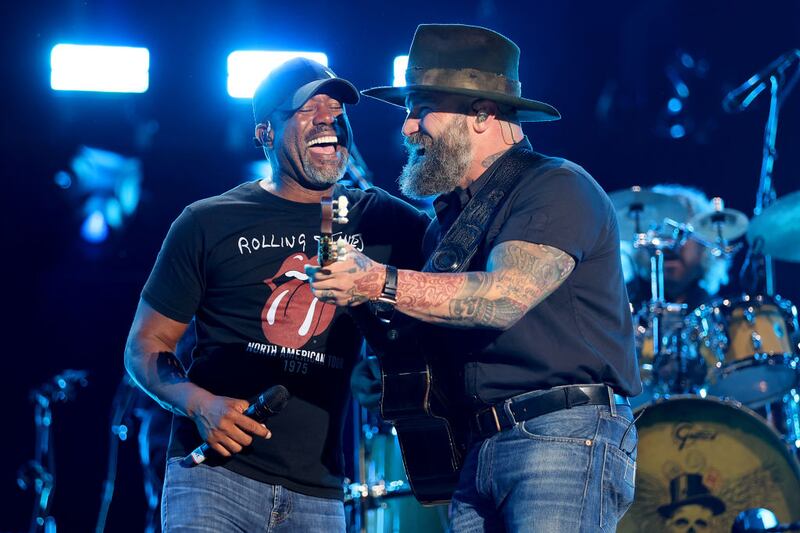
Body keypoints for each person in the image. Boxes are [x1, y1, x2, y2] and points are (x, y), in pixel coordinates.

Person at [307, 24, 642, 532]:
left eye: (421, 109)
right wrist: (392, 373)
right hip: (477, 446)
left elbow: (504, 298)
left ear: (482, 114)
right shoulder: (444, 227)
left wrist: (378, 281)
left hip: (562, 434)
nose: (407, 128)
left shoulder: (554, 186)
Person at [124, 57, 429, 532]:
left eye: (336, 107)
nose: (329, 116)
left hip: (319, 490)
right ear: (265, 132)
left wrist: (391, 367)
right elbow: (145, 348)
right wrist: (200, 403)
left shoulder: (381, 218)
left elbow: (447, 291)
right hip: (214, 481)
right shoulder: (208, 221)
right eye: (308, 107)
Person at [622, 184, 731, 309]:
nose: (669, 244)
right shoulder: (619, 303)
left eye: (680, 233)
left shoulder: (718, 314)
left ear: (704, 245)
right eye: (660, 232)